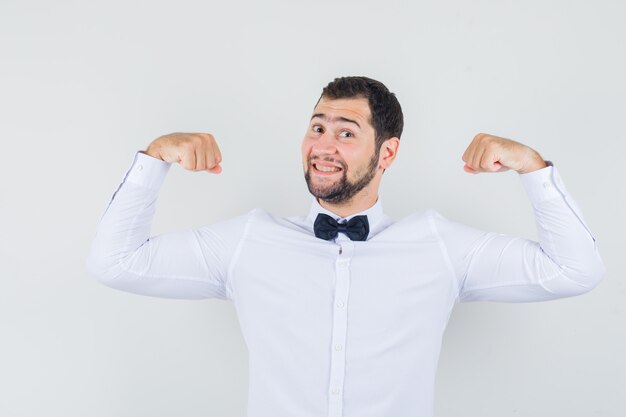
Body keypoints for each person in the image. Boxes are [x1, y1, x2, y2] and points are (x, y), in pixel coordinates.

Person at [86, 76, 606, 417]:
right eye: (317, 128)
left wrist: (532, 168)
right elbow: (115, 262)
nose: (323, 146)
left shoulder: (438, 246)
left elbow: (574, 270)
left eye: (345, 132)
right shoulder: (250, 241)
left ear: (388, 152)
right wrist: (153, 160)